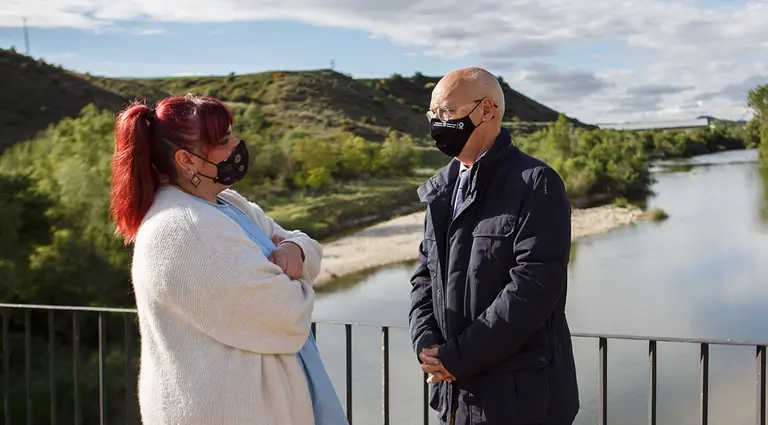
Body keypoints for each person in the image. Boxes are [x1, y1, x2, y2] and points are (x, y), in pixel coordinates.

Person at [110, 94, 347, 425]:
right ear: (187, 160)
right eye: (223, 141)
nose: (237, 144)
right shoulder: (188, 230)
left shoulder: (228, 204)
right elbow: (288, 314)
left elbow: (307, 245)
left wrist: (295, 251)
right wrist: (294, 266)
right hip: (229, 411)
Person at [408, 67, 580, 425]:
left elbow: (531, 290)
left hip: (520, 402)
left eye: (446, 113)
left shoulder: (536, 184)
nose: (437, 124)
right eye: (433, 115)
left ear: (487, 111)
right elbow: (424, 277)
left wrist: (457, 357)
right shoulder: (441, 191)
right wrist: (426, 344)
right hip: (456, 399)